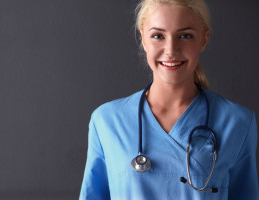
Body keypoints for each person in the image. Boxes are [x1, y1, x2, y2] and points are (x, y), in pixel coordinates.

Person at [79, 0, 259, 199]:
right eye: (158, 36)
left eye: (185, 36)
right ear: (143, 39)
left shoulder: (238, 122)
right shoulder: (107, 121)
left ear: (204, 40)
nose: (171, 49)